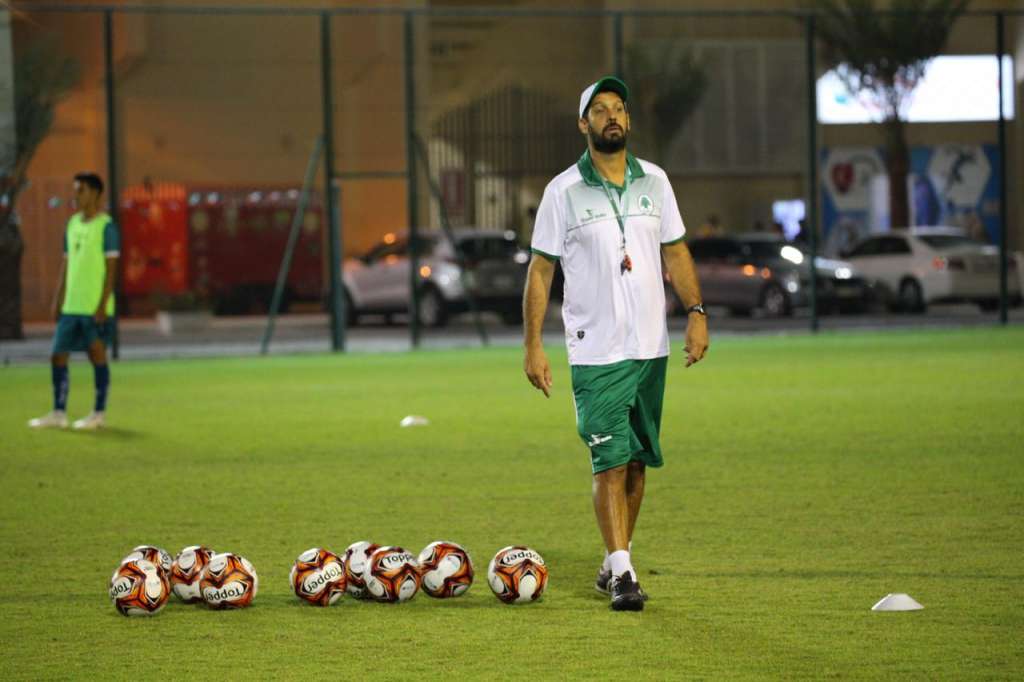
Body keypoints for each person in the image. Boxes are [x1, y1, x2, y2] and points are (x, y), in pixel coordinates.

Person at [522, 76, 708, 611]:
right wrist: (533, 344)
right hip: (596, 349)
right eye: (599, 110)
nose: (611, 117)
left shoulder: (657, 181)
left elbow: (675, 253)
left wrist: (696, 313)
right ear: (583, 124)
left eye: (618, 109)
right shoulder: (563, 191)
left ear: (627, 120)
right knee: (608, 460)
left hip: (651, 346)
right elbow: (540, 273)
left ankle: (611, 561)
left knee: (637, 463)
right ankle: (625, 573)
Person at [28, 172, 120, 430]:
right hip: (71, 305)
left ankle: (98, 414)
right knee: (57, 355)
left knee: (97, 355)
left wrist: (103, 303)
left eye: (80, 190)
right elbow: (67, 265)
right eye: (75, 190)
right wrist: (58, 297)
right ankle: (59, 412)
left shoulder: (107, 227)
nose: (76, 195)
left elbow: (112, 269)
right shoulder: (72, 224)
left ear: (96, 193)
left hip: (94, 306)